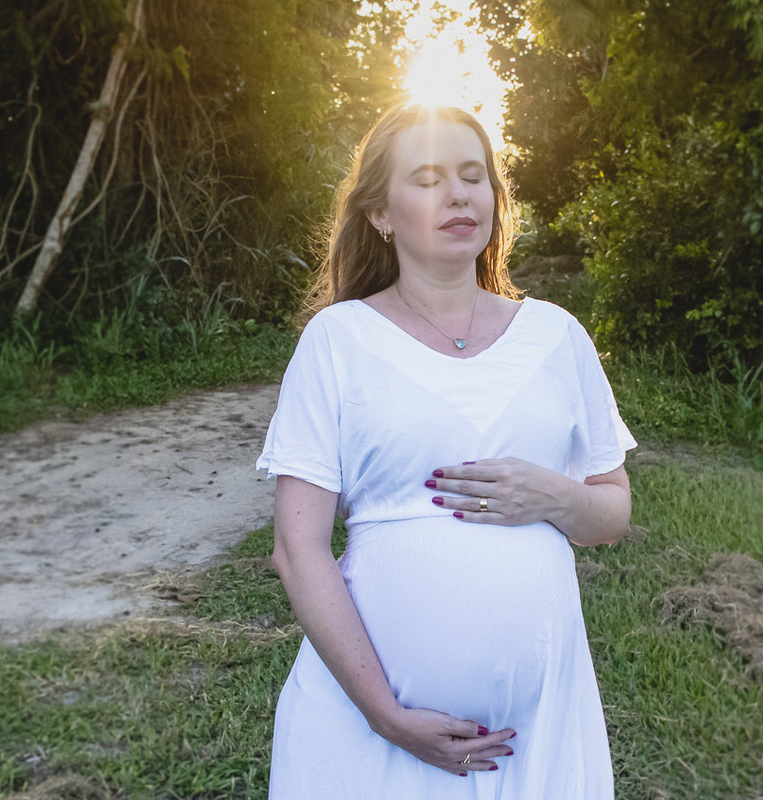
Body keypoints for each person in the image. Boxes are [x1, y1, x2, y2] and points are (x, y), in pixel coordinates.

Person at [256, 103, 636, 799]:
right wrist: (387, 715)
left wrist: (557, 496)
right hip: (369, 736)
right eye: (427, 178)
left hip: (538, 739)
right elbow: (297, 548)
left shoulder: (556, 337)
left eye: (473, 175)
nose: (459, 194)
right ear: (381, 213)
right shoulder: (338, 341)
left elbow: (612, 512)